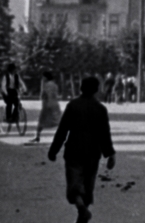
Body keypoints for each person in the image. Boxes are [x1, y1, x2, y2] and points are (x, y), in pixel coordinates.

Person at [48, 75, 115, 223]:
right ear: (97, 90)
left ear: (80, 88)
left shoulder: (72, 105)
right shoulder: (100, 109)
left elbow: (62, 130)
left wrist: (53, 150)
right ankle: (83, 211)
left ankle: (81, 210)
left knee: (74, 186)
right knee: (88, 187)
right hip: (92, 154)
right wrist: (110, 154)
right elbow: (105, 134)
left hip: (74, 152)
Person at [30, 70, 62, 144]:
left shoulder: (46, 85)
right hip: (55, 104)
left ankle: (37, 136)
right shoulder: (54, 84)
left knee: (41, 121)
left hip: (47, 105)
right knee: (58, 121)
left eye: (43, 77)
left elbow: (43, 95)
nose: (42, 78)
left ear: (45, 77)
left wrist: (42, 84)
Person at [2, 64, 23, 130]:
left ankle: (14, 117)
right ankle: (8, 117)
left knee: (17, 104)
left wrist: (24, 89)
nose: (15, 70)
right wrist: (6, 93)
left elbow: (21, 83)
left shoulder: (17, 76)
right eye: (14, 69)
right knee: (9, 103)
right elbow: (3, 86)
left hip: (14, 91)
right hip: (7, 91)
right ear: (11, 70)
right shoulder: (6, 76)